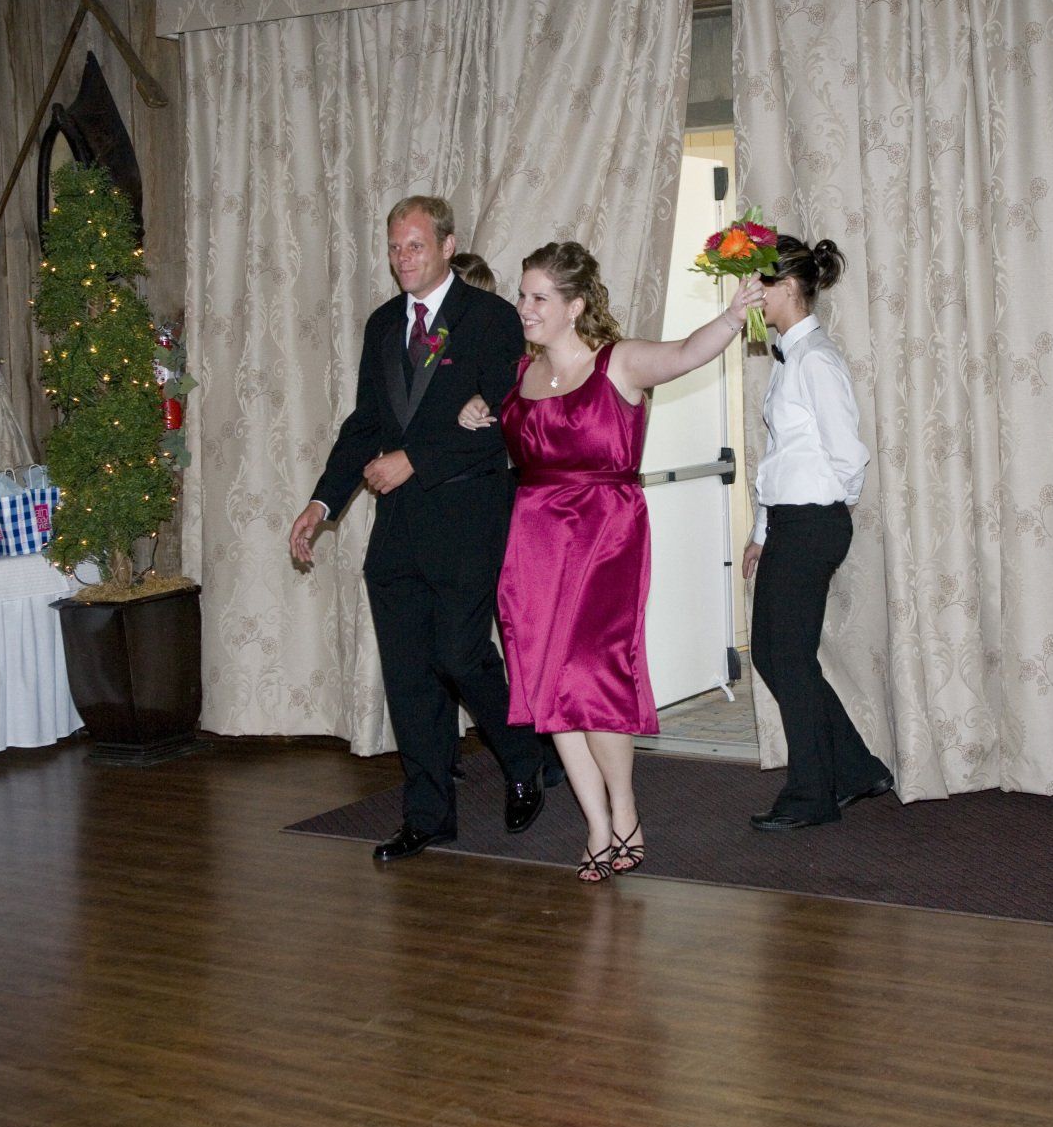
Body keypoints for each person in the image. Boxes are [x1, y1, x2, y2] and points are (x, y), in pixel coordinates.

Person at [460, 241, 765, 881]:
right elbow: (498, 420)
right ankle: (598, 824)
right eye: (523, 295)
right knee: (547, 682)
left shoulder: (617, 362)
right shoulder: (517, 375)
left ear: (574, 307)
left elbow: (686, 353)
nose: (524, 307)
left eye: (539, 297)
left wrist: (734, 315)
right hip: (534, 541)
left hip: (605, 533)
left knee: (591, 675)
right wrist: (477, 408)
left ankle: (624, 809)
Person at [288, 196, 556, 863]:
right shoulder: (384, 324)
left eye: (414, 245)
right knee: (409, 675)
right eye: (394, 247)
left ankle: (525, 754)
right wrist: (322, 503)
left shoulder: (490, 318)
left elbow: (503, 422)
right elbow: (366, 425)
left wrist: (415, 458)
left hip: (469, 517)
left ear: (446, 245)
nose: (402, 258)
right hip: (399, 529)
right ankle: (428, 815)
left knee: (460, 656)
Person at [741, 235, 894, 831]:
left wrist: (829, 510)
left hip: (811, 522)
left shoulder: (816, 359)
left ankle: (812, 795)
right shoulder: (791, 356)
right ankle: (855, 769)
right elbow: (782, 453)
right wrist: (763, 528)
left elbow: (848, 454)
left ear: (786, 288)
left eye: (757, 286)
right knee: (775, 654)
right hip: (790, 521)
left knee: (788, 657)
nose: (749, 297)